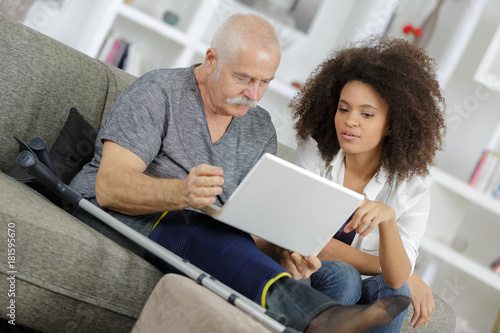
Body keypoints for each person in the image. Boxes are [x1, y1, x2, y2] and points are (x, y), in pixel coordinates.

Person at [70, 14, 410, 332]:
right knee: (199, 229)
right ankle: (321, 316)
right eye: (244, 78)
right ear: (212, 59)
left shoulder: (259, 127)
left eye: (265, 82)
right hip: (112, 212)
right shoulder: (159, 93)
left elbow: (250, 225)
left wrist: (281, 253)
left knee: (223, 239)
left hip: (206, 233)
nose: (254, 94)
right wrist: (180, 193)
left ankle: (310, 314)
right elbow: (109, 186)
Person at [287, 36, 446, 332]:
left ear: (391, 124)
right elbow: (309, 240)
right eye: (343, 108)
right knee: (345, 278)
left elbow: (397, 279)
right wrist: (404, 272)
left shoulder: (412, 187)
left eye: (367, 114)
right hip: (315, 271)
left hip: (371, 286)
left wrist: (388, 221)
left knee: (396, 292)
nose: (350, 121)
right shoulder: (315, 150)